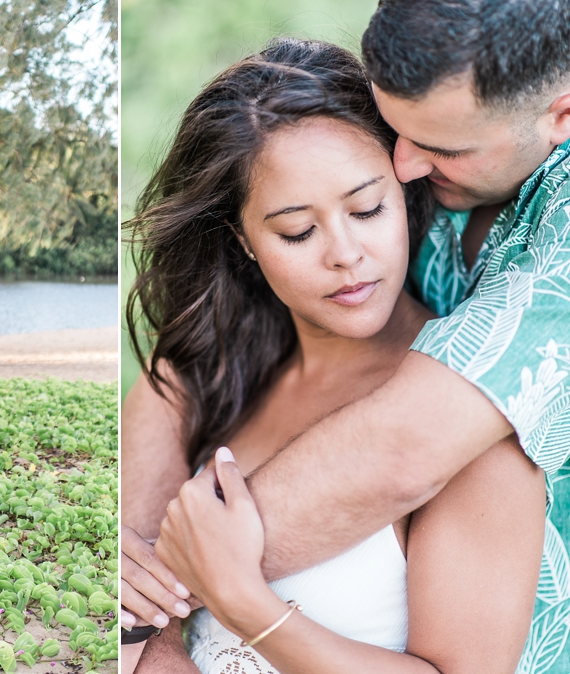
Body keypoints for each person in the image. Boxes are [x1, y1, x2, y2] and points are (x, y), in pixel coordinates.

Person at [127, 0, 570, 670]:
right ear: (242, 239)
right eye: (296, 231)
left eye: (368, 208)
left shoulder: (477, 425)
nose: (345, 254)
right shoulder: (225, 363)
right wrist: (136, 593)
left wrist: (183, 590)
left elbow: (405, 450)